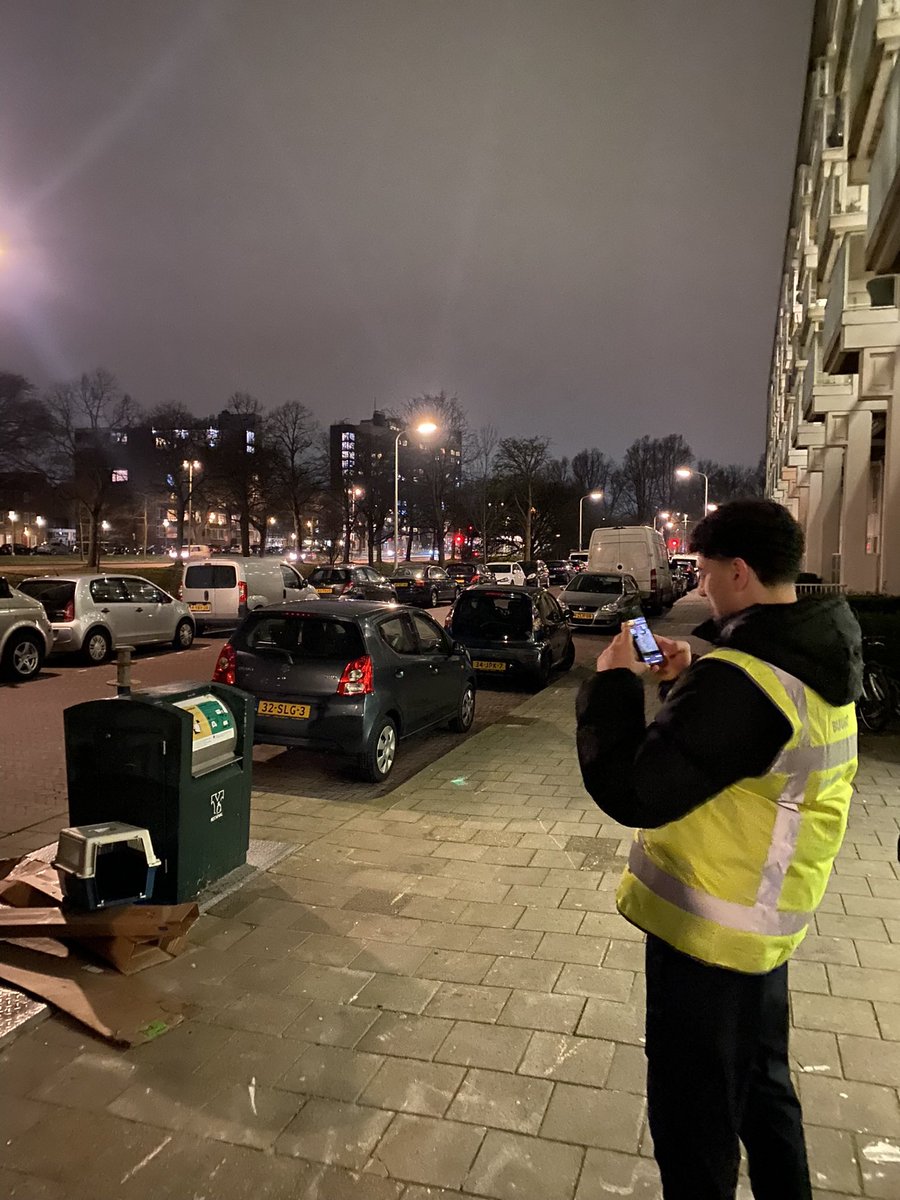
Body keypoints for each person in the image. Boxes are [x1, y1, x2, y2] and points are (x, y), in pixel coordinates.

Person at [576, 499, 861, 1200]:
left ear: (739, 571)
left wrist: (614, 681)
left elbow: (636, 790)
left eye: (704, 573)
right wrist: (690, 675)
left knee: (694, 1123)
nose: (700, 588)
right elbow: (747, 752)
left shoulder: (744, 680)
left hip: (708, 938)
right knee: (764, 1095)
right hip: (762, 924)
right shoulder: (815, 647)